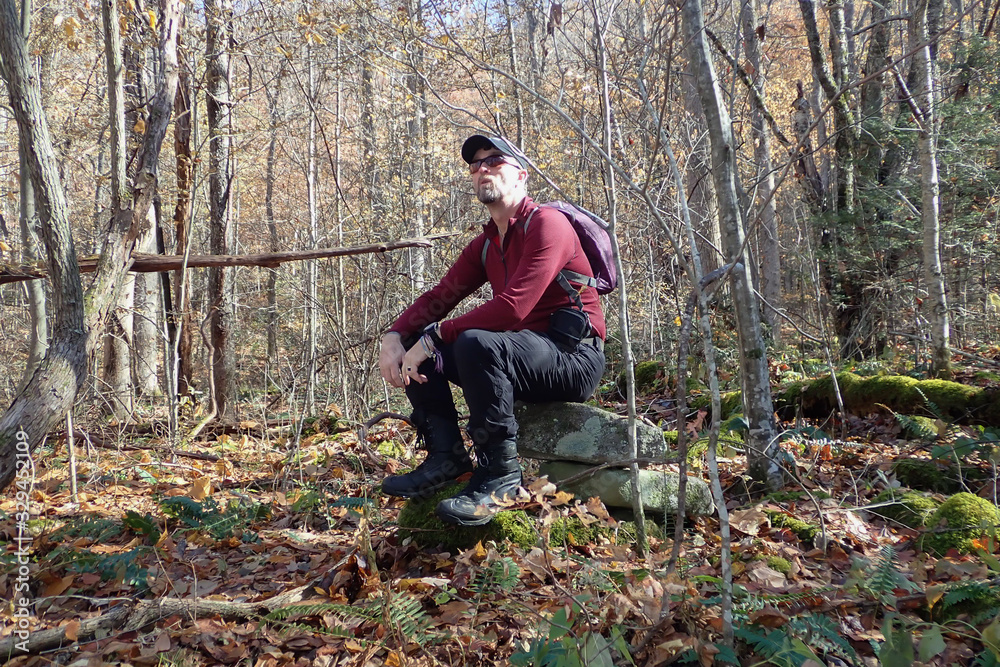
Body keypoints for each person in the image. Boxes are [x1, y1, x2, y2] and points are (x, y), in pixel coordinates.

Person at [378, 135, 606, 526]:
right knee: (422, 341)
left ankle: (501, 476)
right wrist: (395, 336)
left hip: (573, 358)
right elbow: (441, 296)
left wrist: (436, 336)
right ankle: (446, 459)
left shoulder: (548, 225)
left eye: (495, 160)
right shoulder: (486, 244)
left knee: (470, 341)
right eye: (475, 164)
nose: (482, 168)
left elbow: (513, 307)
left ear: (521, 175)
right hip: (521, 358)